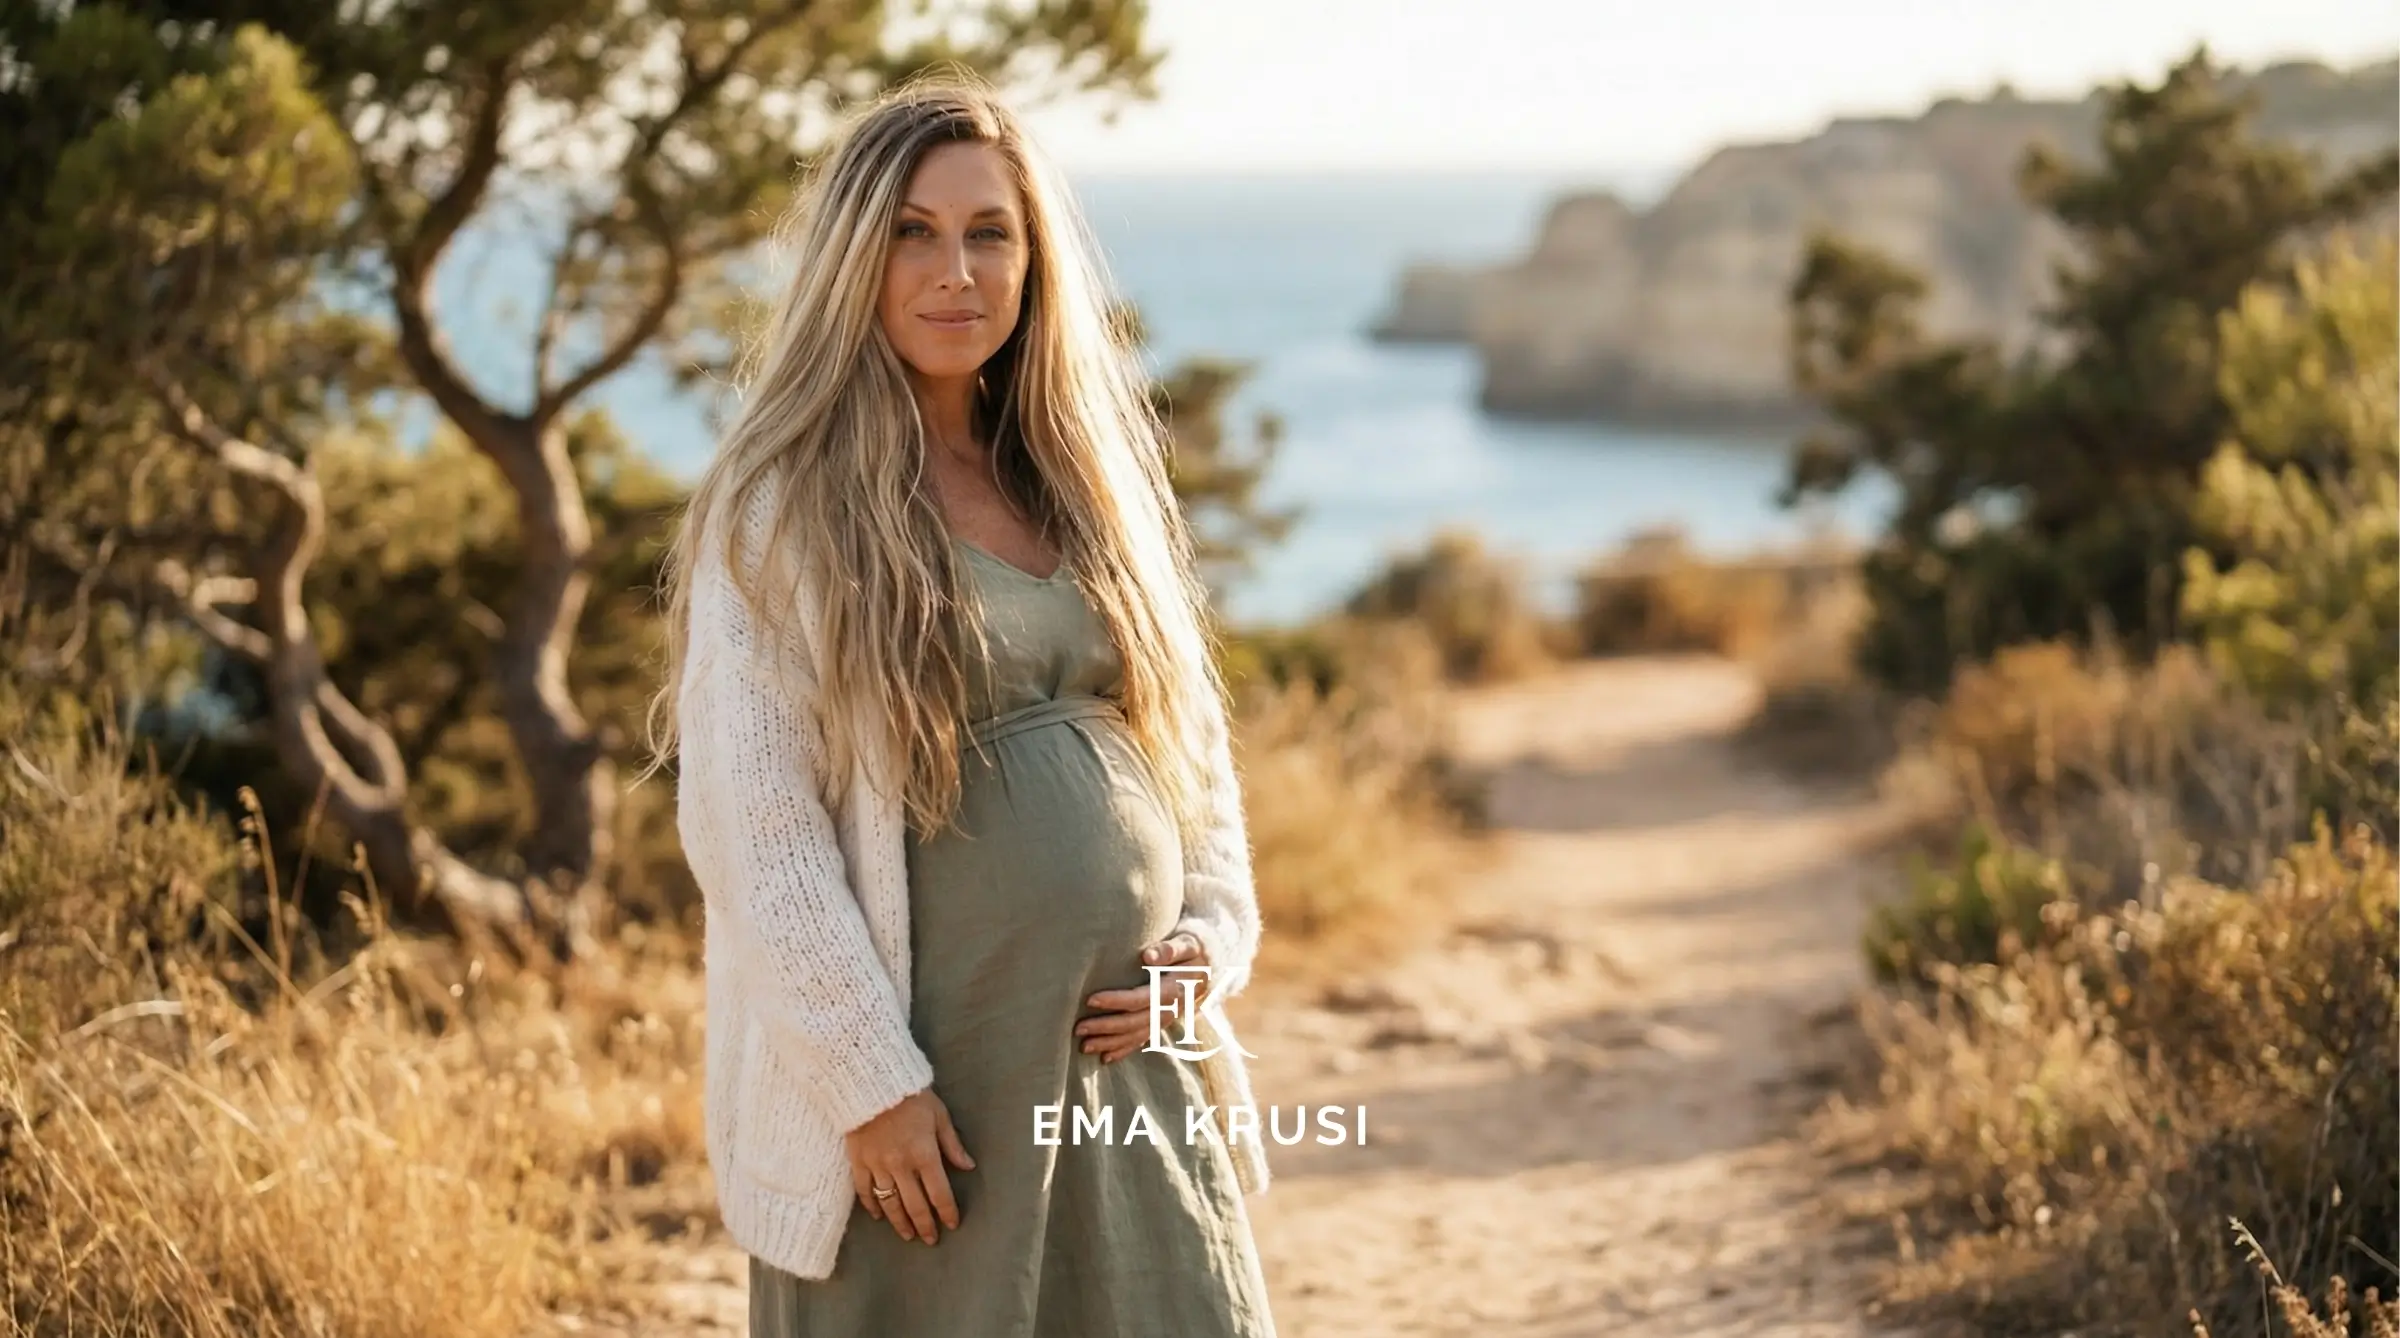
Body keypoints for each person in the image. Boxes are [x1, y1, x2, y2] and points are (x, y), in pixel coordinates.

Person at [645, 70, 1278, 1337]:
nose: (958, 272)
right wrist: (868, 1085)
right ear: (852, 263)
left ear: (1034, 262)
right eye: (913, 234)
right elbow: (751, 825)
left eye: (992, 233)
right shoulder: (783, 509)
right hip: (935, 1087)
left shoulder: (1083, 482)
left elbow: (1192, 770)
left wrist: (1205, 947)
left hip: (1127, 1073)